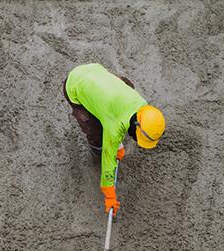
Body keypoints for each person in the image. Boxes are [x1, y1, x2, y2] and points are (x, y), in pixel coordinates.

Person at [64, 63, 166, 215]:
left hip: (95, 71)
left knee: (124, 88)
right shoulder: (114, 128)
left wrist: (117, 144)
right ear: (136, 126)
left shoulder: (141, 104)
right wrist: (109, 194)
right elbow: (108, 158)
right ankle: (95, 149)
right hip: (74, 85)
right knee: (95, 130)